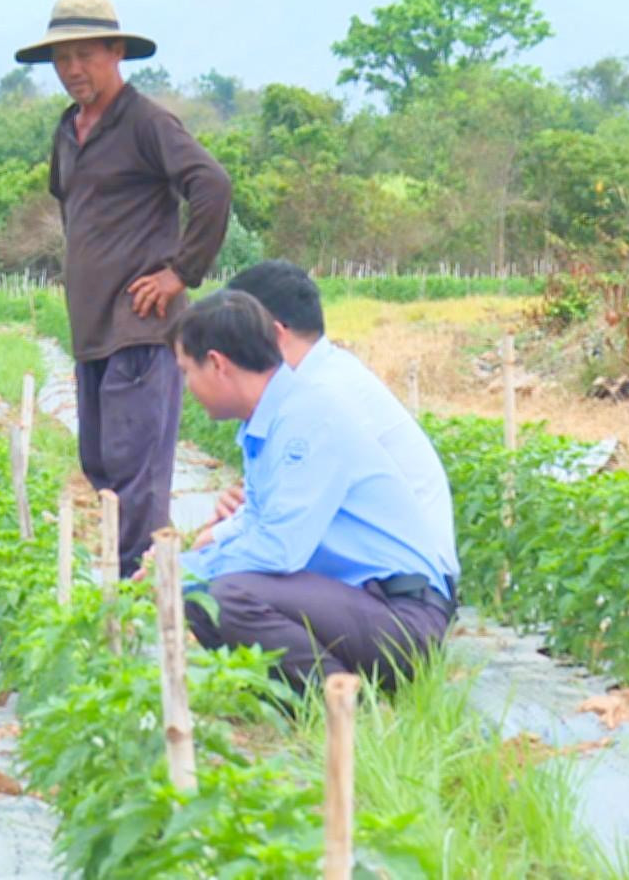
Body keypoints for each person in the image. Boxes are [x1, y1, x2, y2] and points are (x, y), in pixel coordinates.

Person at [16, 0, 233, 577]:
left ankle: (139, 600)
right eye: (62, 59)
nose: (72, 71)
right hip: (91, 328)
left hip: (139, 325)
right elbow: (77, 213)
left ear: (117, 52)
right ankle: (127, 582)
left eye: (85, 55)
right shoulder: (68, 130)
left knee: (136, 471)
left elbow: (212, 185)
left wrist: (179, 272)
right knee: (102, 464)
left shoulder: (146, 121)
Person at [165, 291, 456, 692]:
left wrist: (177, 570)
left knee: (228, 594)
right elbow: (256, 526)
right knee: (202, 594)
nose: (186, 387)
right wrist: (186, 566)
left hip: (402, 618)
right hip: (360, 605)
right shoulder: (271, 422)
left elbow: (279, 549)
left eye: (185, 371)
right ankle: (288, 702)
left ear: (216, 364)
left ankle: (339, 709)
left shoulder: (307, 420)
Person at [200, 261, 457, 583]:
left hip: (407, 583)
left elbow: (284, 533)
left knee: (232, 589)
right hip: (374, 570)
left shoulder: (324, 396)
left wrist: (212, 543)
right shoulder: (311, 386)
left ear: (275, 336)